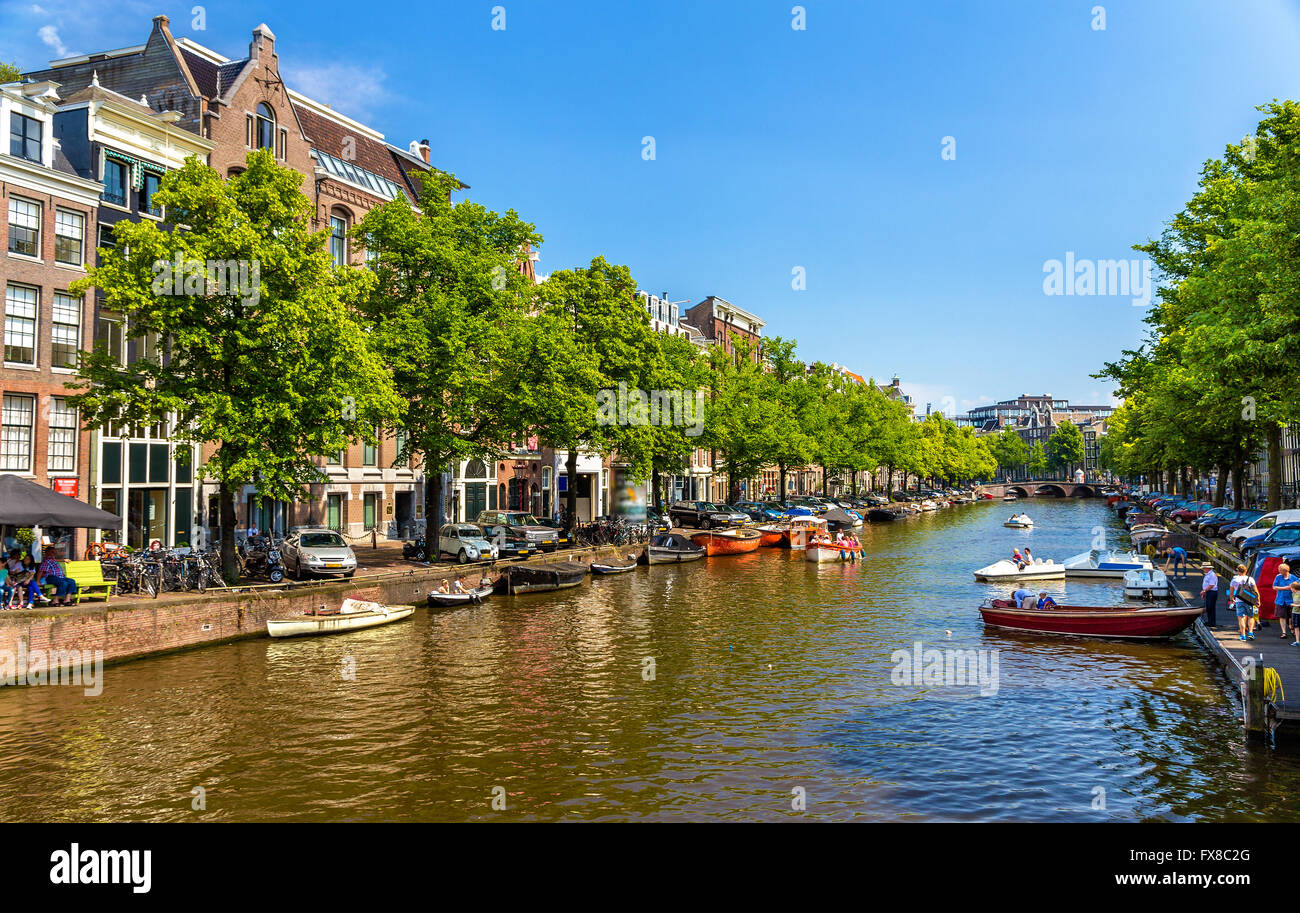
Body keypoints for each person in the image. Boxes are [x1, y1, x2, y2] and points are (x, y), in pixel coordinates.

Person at [1229, 563, 1259, 642]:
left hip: (1239, 601)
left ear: (1237, 571)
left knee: (1241, 618)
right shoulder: (1250, 579)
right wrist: (1258, 600)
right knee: (1251, 617)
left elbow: (1231, 592)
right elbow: (1256, 591)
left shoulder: (1234, 580)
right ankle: (1251, 632)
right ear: (1245, 571)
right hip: (1249, 601)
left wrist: (1232, 599)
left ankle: (1243, 636)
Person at [1273, 563, 1298, 639]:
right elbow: (1274, 587)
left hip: (1291, 600)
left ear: (1285, 571)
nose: (1279, 571)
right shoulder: (1278, 577)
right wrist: (1285, 588)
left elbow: (1298, 586)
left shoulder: (1293, 578)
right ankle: (1284, 632)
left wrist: (1294, 587)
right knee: (1282, 616)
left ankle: (1292, 629)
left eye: (1280, 570)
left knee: (1292, 616)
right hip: (1281, 600)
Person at [1199, 562, 1219, 628]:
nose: (1203, 569)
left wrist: (1204, 591)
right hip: (1209, 592)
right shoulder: (1208, 574)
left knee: (1211, 607)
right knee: (1208, 607)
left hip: (1212, 592)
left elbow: (1211, 585)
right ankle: (1210, 621)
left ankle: (1212, 622)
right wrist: (1204, 592)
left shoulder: (1212, 575)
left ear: (1207, 568)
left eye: (1204, 568)